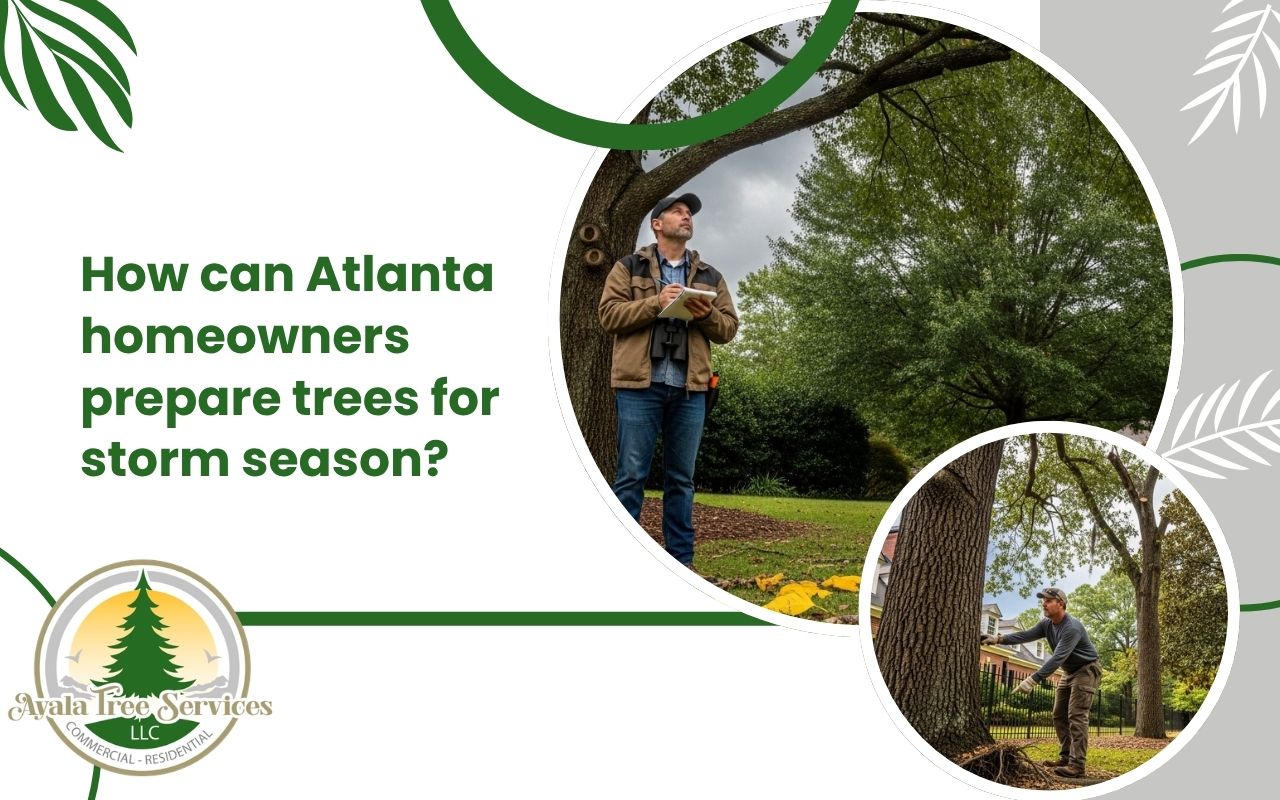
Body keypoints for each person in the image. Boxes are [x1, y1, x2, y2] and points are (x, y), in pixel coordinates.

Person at [598, 193, 738, 567]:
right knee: (630, 476)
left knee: (681, 480)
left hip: (690, 390)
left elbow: (728, 329)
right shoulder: (628, 267)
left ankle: (681, 562)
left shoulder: (711, 277)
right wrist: (655, 304)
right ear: (657, 224)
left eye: (689, 213)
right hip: (638, 387)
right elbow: (609, 316)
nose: (686, 216)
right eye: (677, 212)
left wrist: (706, 313)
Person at [981, 587, 1101, 778]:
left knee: (1076, 716)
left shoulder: (1072, 627)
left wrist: (1032, 679)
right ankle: (1066, 757)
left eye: (1048, 600)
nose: (1043, 604)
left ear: (1060, 603)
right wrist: (998, 638)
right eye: (1042, 600)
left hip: (1086, 670)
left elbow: (1057, 659)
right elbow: (1025, 635)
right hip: (1069, 672)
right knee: (1058, 714)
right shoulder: (1047, 624)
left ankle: (1077, 766)